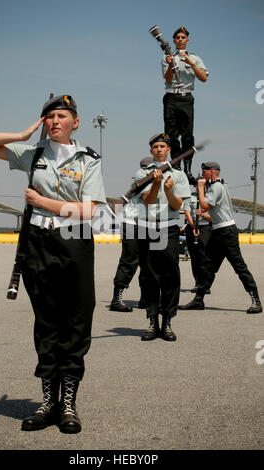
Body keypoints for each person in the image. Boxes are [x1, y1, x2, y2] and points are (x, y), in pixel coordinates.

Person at [0, 94, 107, 433]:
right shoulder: (33, 155)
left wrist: (42, 200)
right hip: (38, 245)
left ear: (75, 121)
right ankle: (48, 403)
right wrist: (20, 136)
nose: (55, 121)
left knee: (76, 323)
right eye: (49, 117)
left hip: (74, 244)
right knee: (47, 324)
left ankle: (69, 406)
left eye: (62, 116)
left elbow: (90, 211)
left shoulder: (88, 159)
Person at [178, 162, 262, 314]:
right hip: (217, 231)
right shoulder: (217, 185)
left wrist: (201, 188)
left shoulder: (216, 187)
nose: (202, 173)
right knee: (207, 267)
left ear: (213, 172)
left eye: (205, 171)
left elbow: (203, 206)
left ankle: (255, 299)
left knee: (239, 266)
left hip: (226, 232)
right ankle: (198, 300)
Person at [135, 132, 191, 341]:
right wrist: (157, 184)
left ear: (169, 150)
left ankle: (167, 321)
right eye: (155, 147)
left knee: (170, 275)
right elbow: (147, 200)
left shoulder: (178, 176)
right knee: (149, 275)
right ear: (151, 150)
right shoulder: (142, 174)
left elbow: (178, 205)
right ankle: (152, 321)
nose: (158, 150)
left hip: (169, 227)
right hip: (148, 227)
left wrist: (168, 191)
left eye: (162, 147)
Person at [161, 26, 208, 181]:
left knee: (187, 136)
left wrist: (191, 63)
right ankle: (176, 166)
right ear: (174, 40)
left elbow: (204, 78)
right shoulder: (167, 56)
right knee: (171, 136)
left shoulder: (194, 57)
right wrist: (169, 64)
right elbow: (167, 79)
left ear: (187, 40)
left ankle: (187, 169)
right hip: (171, 97)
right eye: (177, 37)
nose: (180, 40)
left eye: (183, 37)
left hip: (186, 98)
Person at [109, 157, 152, 312]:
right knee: (130, 259)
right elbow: (147, 199)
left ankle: (145, 297)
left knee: (147, 262)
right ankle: (116, 298)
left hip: (147, 223)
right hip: (132, 221)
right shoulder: (142, 176)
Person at [184, 191, 212, 293]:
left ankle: (206, 284)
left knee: (204, 256)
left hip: (205, 226)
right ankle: (198, 283)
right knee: (194, 257)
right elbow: (187, 213)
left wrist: (202, 214)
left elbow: (213, 217)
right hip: (192, 226)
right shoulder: (190, 197)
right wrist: (193, 227)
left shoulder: (211, 196)